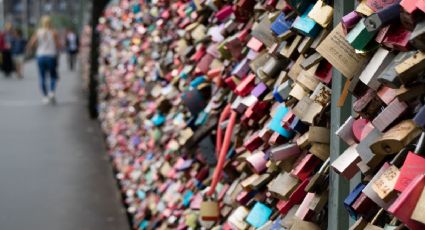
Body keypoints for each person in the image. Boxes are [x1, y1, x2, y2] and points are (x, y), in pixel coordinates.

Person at [27, 16, 61, 104]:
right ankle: (52, 92)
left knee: (42, 76)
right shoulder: (54, 32)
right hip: (51, 56)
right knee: (53, 75)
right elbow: (58, 45)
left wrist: (36, 48)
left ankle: (45, 96)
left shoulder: (38, 32)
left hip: (40, 56)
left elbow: (31, 43)